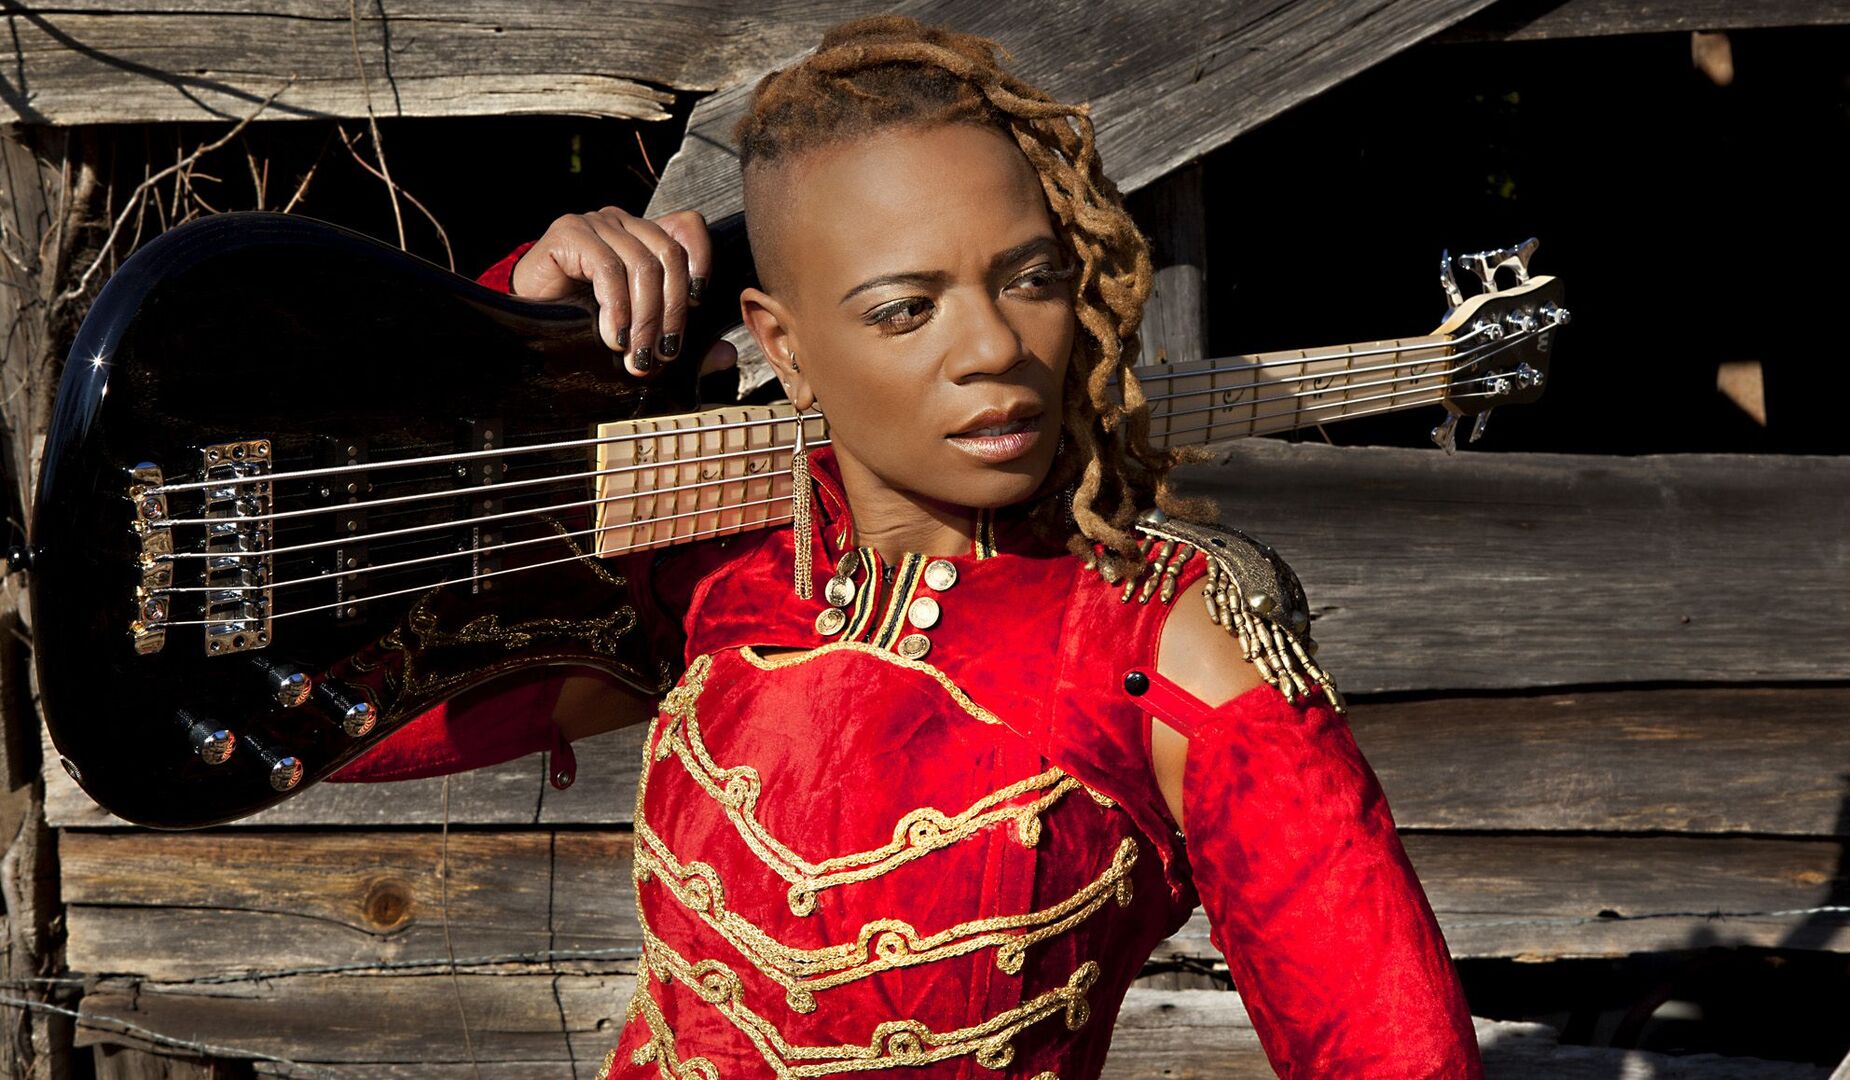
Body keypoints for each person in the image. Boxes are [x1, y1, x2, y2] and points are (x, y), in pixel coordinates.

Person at [336, 16, 1482, 1078]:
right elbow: (340, 720)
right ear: (784, 346)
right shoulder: (715, 572)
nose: (992, 347)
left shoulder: (1156, 637)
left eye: (1030, 279)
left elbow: (1393, 1053)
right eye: (903, 309)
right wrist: (517, 351)